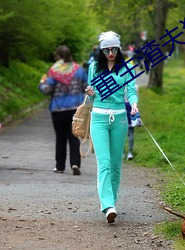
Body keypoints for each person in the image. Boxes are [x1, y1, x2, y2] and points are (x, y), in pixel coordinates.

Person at [85, 31, 139, 223]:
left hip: (120, 119)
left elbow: (131, 91)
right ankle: (107, 205)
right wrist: (90, 92)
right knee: (105, 163)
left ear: (118, 48)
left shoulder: (126, 68)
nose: (110, 53)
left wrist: (133, 104)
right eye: (106, 50)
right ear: (101, 50)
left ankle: (112, 201)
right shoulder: (94, 67)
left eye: (113, 49)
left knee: (116, 164)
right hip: (99, 117)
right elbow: (91, 96)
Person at [39, 45, 88, 175]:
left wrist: (42, 83)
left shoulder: (54, 71)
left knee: (60, 138)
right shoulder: (79, 70)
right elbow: (86, 87)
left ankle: (60, 166)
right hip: (75, 109)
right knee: (74, 137)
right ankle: (75, 163)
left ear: (58, 57)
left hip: (58, 109)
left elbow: (47, 90)